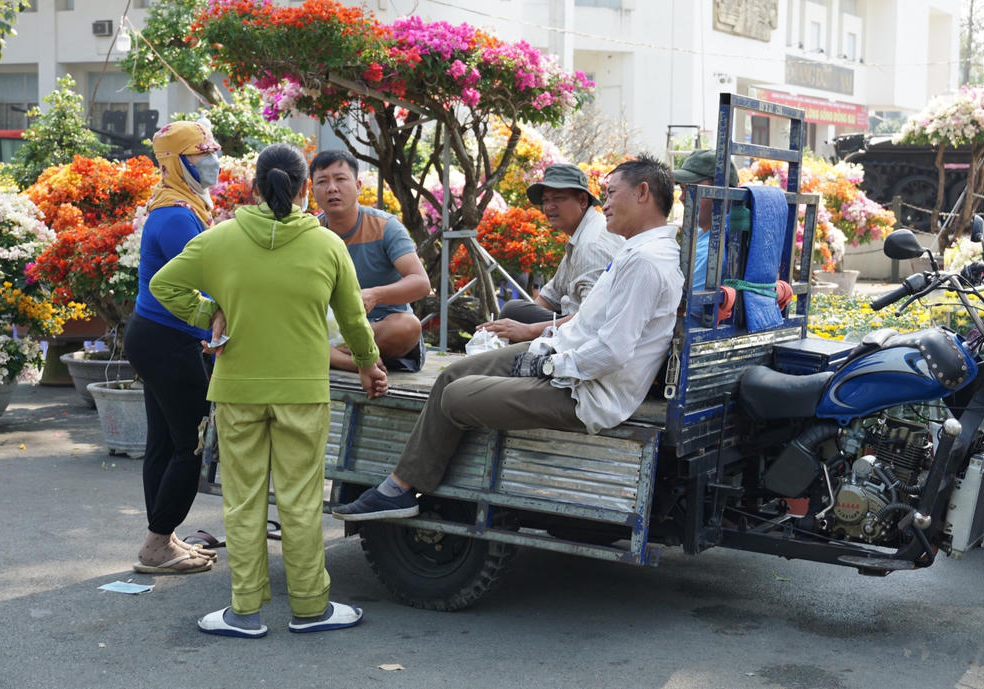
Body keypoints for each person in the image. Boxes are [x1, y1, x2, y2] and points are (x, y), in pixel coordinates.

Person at [332, 156, 683, 521]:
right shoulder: (633, 249)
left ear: (642, 193)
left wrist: (546, 364)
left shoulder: (645, 261)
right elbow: (583, 320)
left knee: (455, 397)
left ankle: (404, 486)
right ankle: (399, 488)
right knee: (453, 373)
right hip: (562, 358)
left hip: (585, 392)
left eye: (610, 194)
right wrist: (542, 343)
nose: (604, 203)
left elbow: (612, 351)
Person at [151, 143, 389, 638]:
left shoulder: (221, 240)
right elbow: (352, 318)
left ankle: (244, 612)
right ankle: (310, 608)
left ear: (255, 187)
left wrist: (209, 318)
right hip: (303, 392)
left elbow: (163, 286)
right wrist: (369, 366)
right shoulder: (327, 246)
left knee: (242, 500)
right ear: (306, 189)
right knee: (301, 501)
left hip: (236, 389)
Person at [124, 120, 222, 576]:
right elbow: (208, 280)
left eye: (211, 152)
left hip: (155, 336)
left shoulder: (178, 205)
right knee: (192, 444)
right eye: (200, 155)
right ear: (176, 163)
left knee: (164, 442)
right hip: (168, 340)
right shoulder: (178, 216)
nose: (212, 162)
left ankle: (163, 538)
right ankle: (157, 546)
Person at [309, 149, 431, 373]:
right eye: (322, 181)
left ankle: (337, 356)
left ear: (358, 185)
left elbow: (421, 284)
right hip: (329, 331)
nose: (332, 188)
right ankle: (351, 360)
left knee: (407, 326)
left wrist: (375, 295)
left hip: (380, 327)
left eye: (340, 179)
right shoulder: (310, 233)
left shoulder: (386, 227)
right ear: (312, 191)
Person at [478, 162, 622, 343]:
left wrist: (528, 331)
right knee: (514, 313)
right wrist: (517, 328)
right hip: (574, 327)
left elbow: (592, 319)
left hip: (589, 340)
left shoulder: (591, 243)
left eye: (558, 198)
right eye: (545, 200)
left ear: (583, 201)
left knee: (513, 313)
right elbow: (549, 297)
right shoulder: (582, 234)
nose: (549, 207)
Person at [672, 149, 738, 293]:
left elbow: (682, 305)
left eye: (691, 189)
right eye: (682, 189)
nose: (682, 198)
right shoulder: (705, 232)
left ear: (719, 191)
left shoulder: (711, 250)